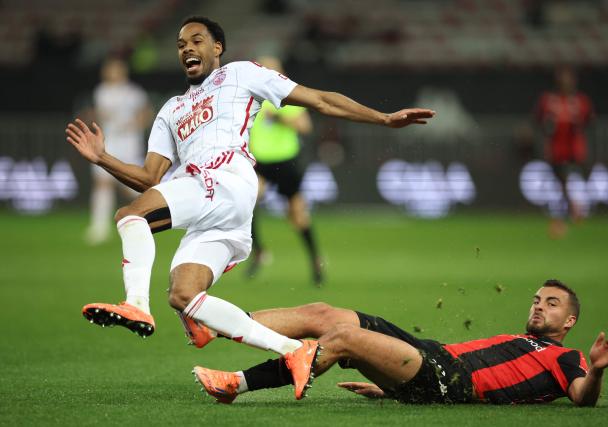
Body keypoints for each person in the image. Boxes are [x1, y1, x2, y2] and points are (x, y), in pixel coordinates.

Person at [65, 15, 435, 373]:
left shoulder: (242, 73)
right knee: (183, 296)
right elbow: (149, 177)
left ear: (217, 47)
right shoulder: (171, 111)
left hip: (225, 178)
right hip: (218, 208)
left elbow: (319, 100)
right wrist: (101, 157)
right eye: (180, 45)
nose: (187, 49)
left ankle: (136, 304)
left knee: (129, 216)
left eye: (196, 41)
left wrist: (384, 119)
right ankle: (294, 350)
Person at [193, 280, 608, 406]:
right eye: (536, 299)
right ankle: (214, 324)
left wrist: (598, 367)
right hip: (431, 358)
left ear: (569, 321)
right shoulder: (521, 340)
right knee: (325, 314)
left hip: (451, 381)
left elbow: (582, 398)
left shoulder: (566, 357)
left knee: (341, 339)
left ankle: (236, 383)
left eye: (550, 304)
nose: (538, 307)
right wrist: (389, 383)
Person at [247, 56, 323, 285]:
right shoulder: (251, 98)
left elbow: (305, 126)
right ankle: (259, 251)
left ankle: (315, 260)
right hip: (259, 162)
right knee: (247, 200)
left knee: (297, 215)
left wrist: (279, 118)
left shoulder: (287, 96)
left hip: (286, 162)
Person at [86, 57, 153, 245]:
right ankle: (99, 227)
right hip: (109, 142)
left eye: (115, 68)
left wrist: (134, 126)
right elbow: (99, 114)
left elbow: (146, 113)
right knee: (102, 183)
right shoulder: (101, 91)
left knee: (133, 185)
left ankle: (155, 214)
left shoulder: (133, 92)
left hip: (129, 143)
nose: (110, 72)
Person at [534, 66, 594, 239]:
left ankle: (569, 214)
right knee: (562, 184)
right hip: (556, 151)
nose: (566, 82)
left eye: (569, 79)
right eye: (563, 79)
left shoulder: (581, 101)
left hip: (576, 150)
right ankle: (570, 214)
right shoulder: (549, 100)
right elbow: (538, 120)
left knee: (570, 182)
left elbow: (590, 121)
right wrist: (547, 126)